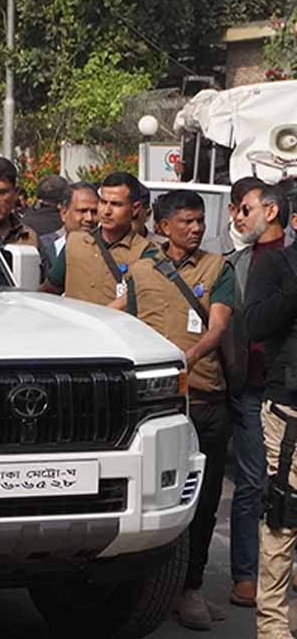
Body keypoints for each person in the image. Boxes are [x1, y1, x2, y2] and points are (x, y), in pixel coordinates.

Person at [122, 190, 234, 630]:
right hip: (155, 410)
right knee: (154, 502)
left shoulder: (218, 268)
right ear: (163, 226)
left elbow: (220, 325)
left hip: (206, 400)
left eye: (200, 221)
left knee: (204, 503)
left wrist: (187, 359)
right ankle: (151, 589)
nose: (196, 228)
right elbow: (126, 325)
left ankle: (190, 588)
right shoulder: (141, 271)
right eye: (186, 221)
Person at [243, 188, 297, 639]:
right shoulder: (275, 264)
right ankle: (274, 627)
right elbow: (255, 324)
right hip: (288, 409)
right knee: (283, 516)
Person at [224, 178, 278, 608]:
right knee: (252, 483)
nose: (238, 217)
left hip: (287, 390)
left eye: (245, 209)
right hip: (248, 389)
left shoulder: (289, 261)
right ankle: (246, 574)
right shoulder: (237, 263)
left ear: (270, 212)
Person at [40, 171, 158, 306]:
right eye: (103, 202)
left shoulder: (147, 253)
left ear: (135, 208)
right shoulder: (75, 243)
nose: (106, 211)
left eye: (116, 204)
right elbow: (49, 291)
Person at [38, 182, 99, 277]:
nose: (89, 218)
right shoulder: (45, 251)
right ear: (64, 213)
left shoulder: (108, 254)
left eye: (94, 212)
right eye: (82, 211)